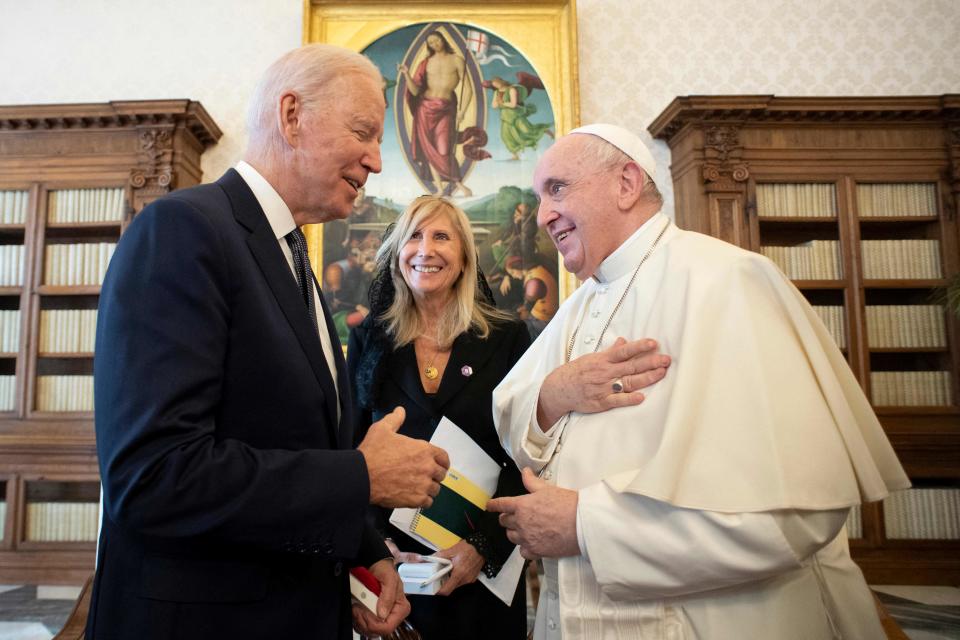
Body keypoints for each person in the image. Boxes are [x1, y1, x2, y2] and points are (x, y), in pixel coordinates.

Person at [487, 124, 911, 639]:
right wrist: (554, 394)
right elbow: (513, 419)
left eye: (557, 188)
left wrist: (583, 525)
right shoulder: (578, 307)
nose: (542, 214)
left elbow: (794, 518)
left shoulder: (729, 281)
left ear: (625, 183)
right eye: (538, 197)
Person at [89, 44, 451, 640]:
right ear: (291, 116)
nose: (377, 161)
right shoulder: (185, 231)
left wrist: (361, 550)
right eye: (363, 131)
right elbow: (154, 477)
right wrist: (360, 478)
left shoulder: (292, 255)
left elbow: (286, 439)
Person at [347, 195, 531, 639]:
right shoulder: (368, 337)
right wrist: (378, 550)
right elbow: (349, 454)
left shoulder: (508, 337)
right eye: (413, 236)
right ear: (396, 255)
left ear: (465, 256)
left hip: (482, 567)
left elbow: (527, 455)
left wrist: (480, 548)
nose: (425, 250)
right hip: (394, 574)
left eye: (441, 237)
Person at [398, 30, 475, 197]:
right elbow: (415, 91)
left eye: (436, 40)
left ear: (443, 40)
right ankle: (440, 189)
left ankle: (459, 184)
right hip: (424, 109)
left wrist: (462, 111)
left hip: (445, 109)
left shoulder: (457, 60)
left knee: (443, 149)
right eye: (431, 42)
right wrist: (406, 74)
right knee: (429, 150)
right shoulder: (425, 63)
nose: (434, 44)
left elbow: (468, 88)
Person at [488, 75, 554, 160]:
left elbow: (513, 104)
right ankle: (515, 155)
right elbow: (494, 105)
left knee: (527, 130)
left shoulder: (512, 89)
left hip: (516, 115)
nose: (496, 85)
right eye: (494, 85)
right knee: (505, 136)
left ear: (501, 81)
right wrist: (498, 103)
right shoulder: (496, 93)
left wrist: (502, 103)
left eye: (496, 83)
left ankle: (544, 130)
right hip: (505, 117)